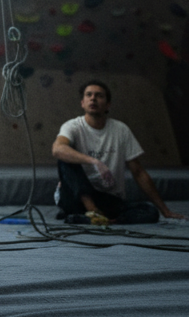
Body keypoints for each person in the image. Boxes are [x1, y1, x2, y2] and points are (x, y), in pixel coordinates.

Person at [52, 80, 186, 225]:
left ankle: (102, 220)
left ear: (108, 105)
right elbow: (57, 149)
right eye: (89, 95)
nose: (93, 98)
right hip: (75, 197)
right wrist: (93, 161)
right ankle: (92, 211)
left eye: (99, 96)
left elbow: (138, 172)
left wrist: (165, 210)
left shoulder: (120, 130)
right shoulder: (72, 126)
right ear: (82, 103)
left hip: (108, 199)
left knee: (150, 212)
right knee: (65, 158)